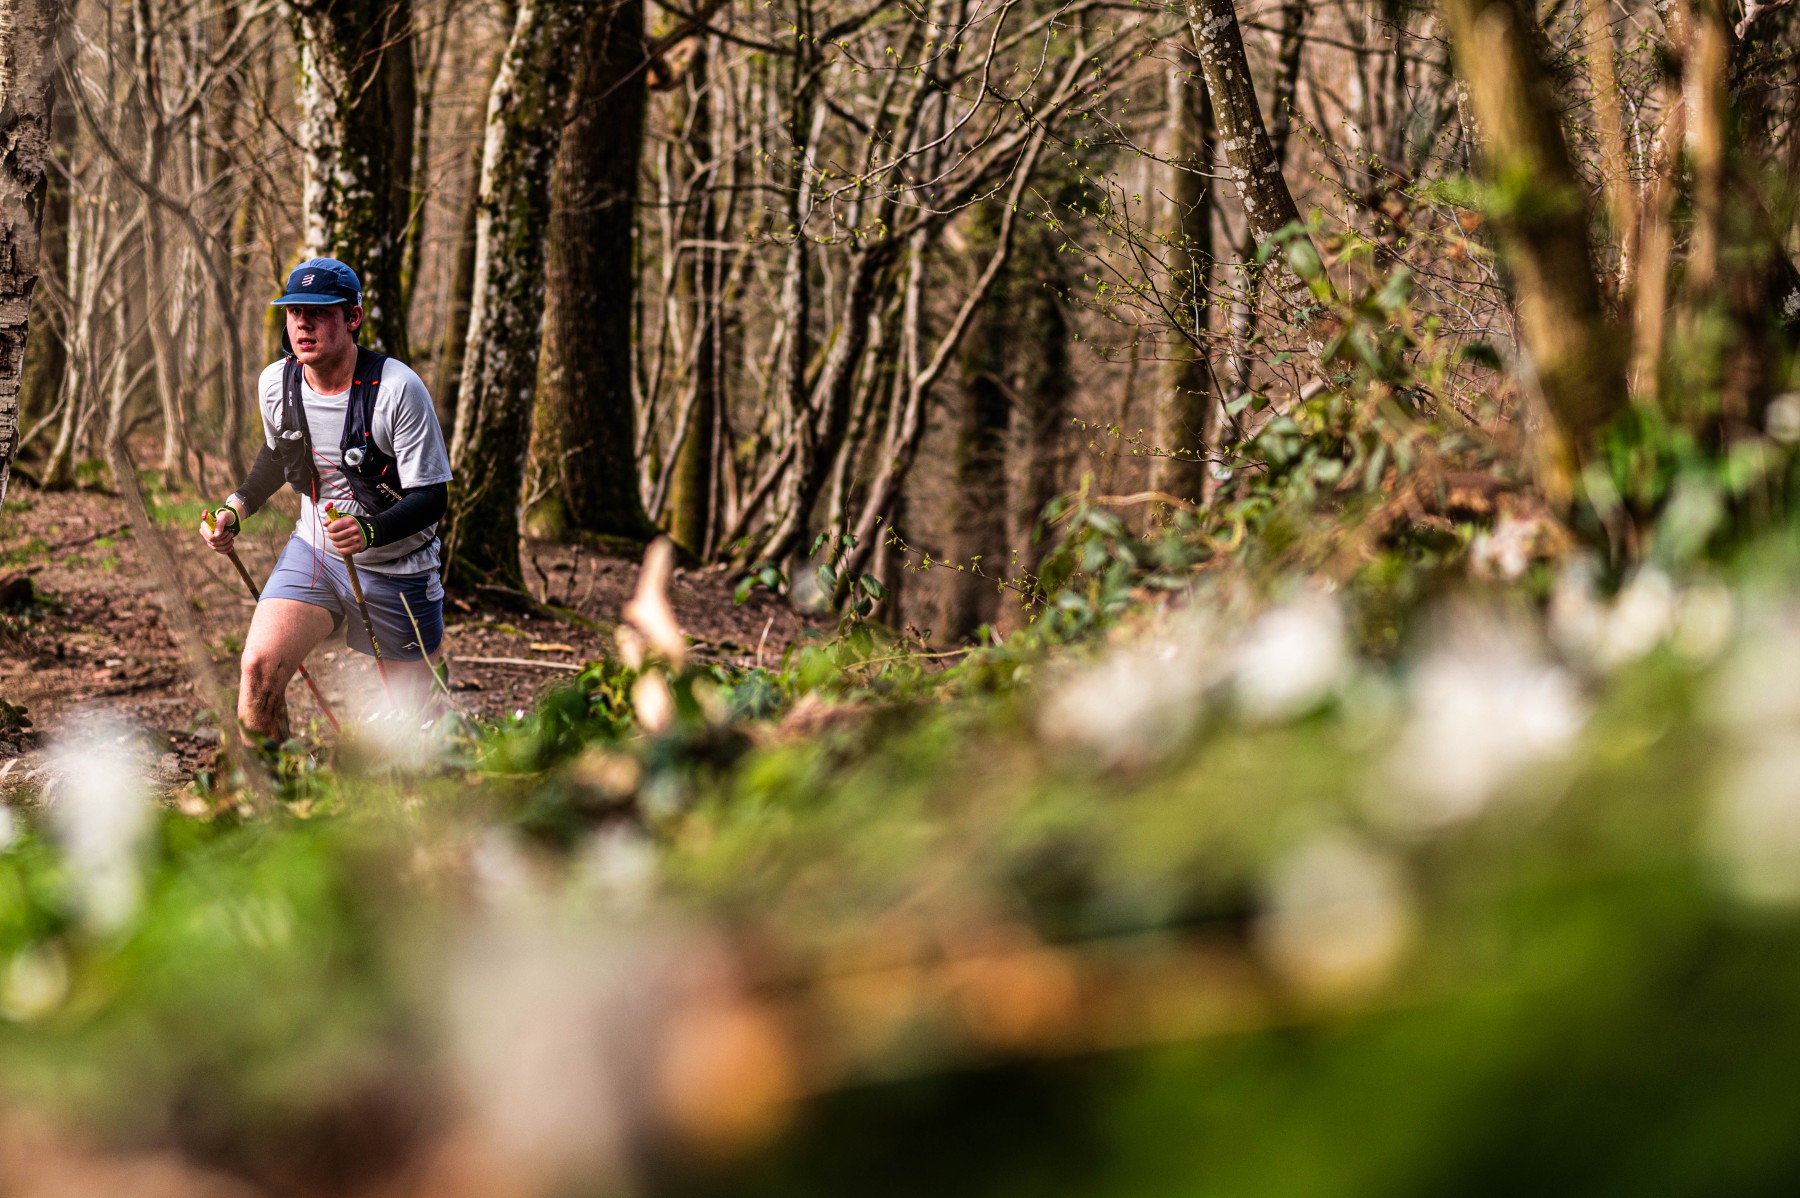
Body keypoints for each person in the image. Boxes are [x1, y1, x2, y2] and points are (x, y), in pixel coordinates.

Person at [199, 257, 453, 741]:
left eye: (319, 312)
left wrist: (370, 531)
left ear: (352, 317)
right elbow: (279, 455)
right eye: (295, 311)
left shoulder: (397, 389)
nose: (303, 324)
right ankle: (267, 783)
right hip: (314, 552)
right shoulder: (276, 383)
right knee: (258, 670)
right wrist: (236, 508)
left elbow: (432, 496)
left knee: (416, 722)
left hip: (399, 566)